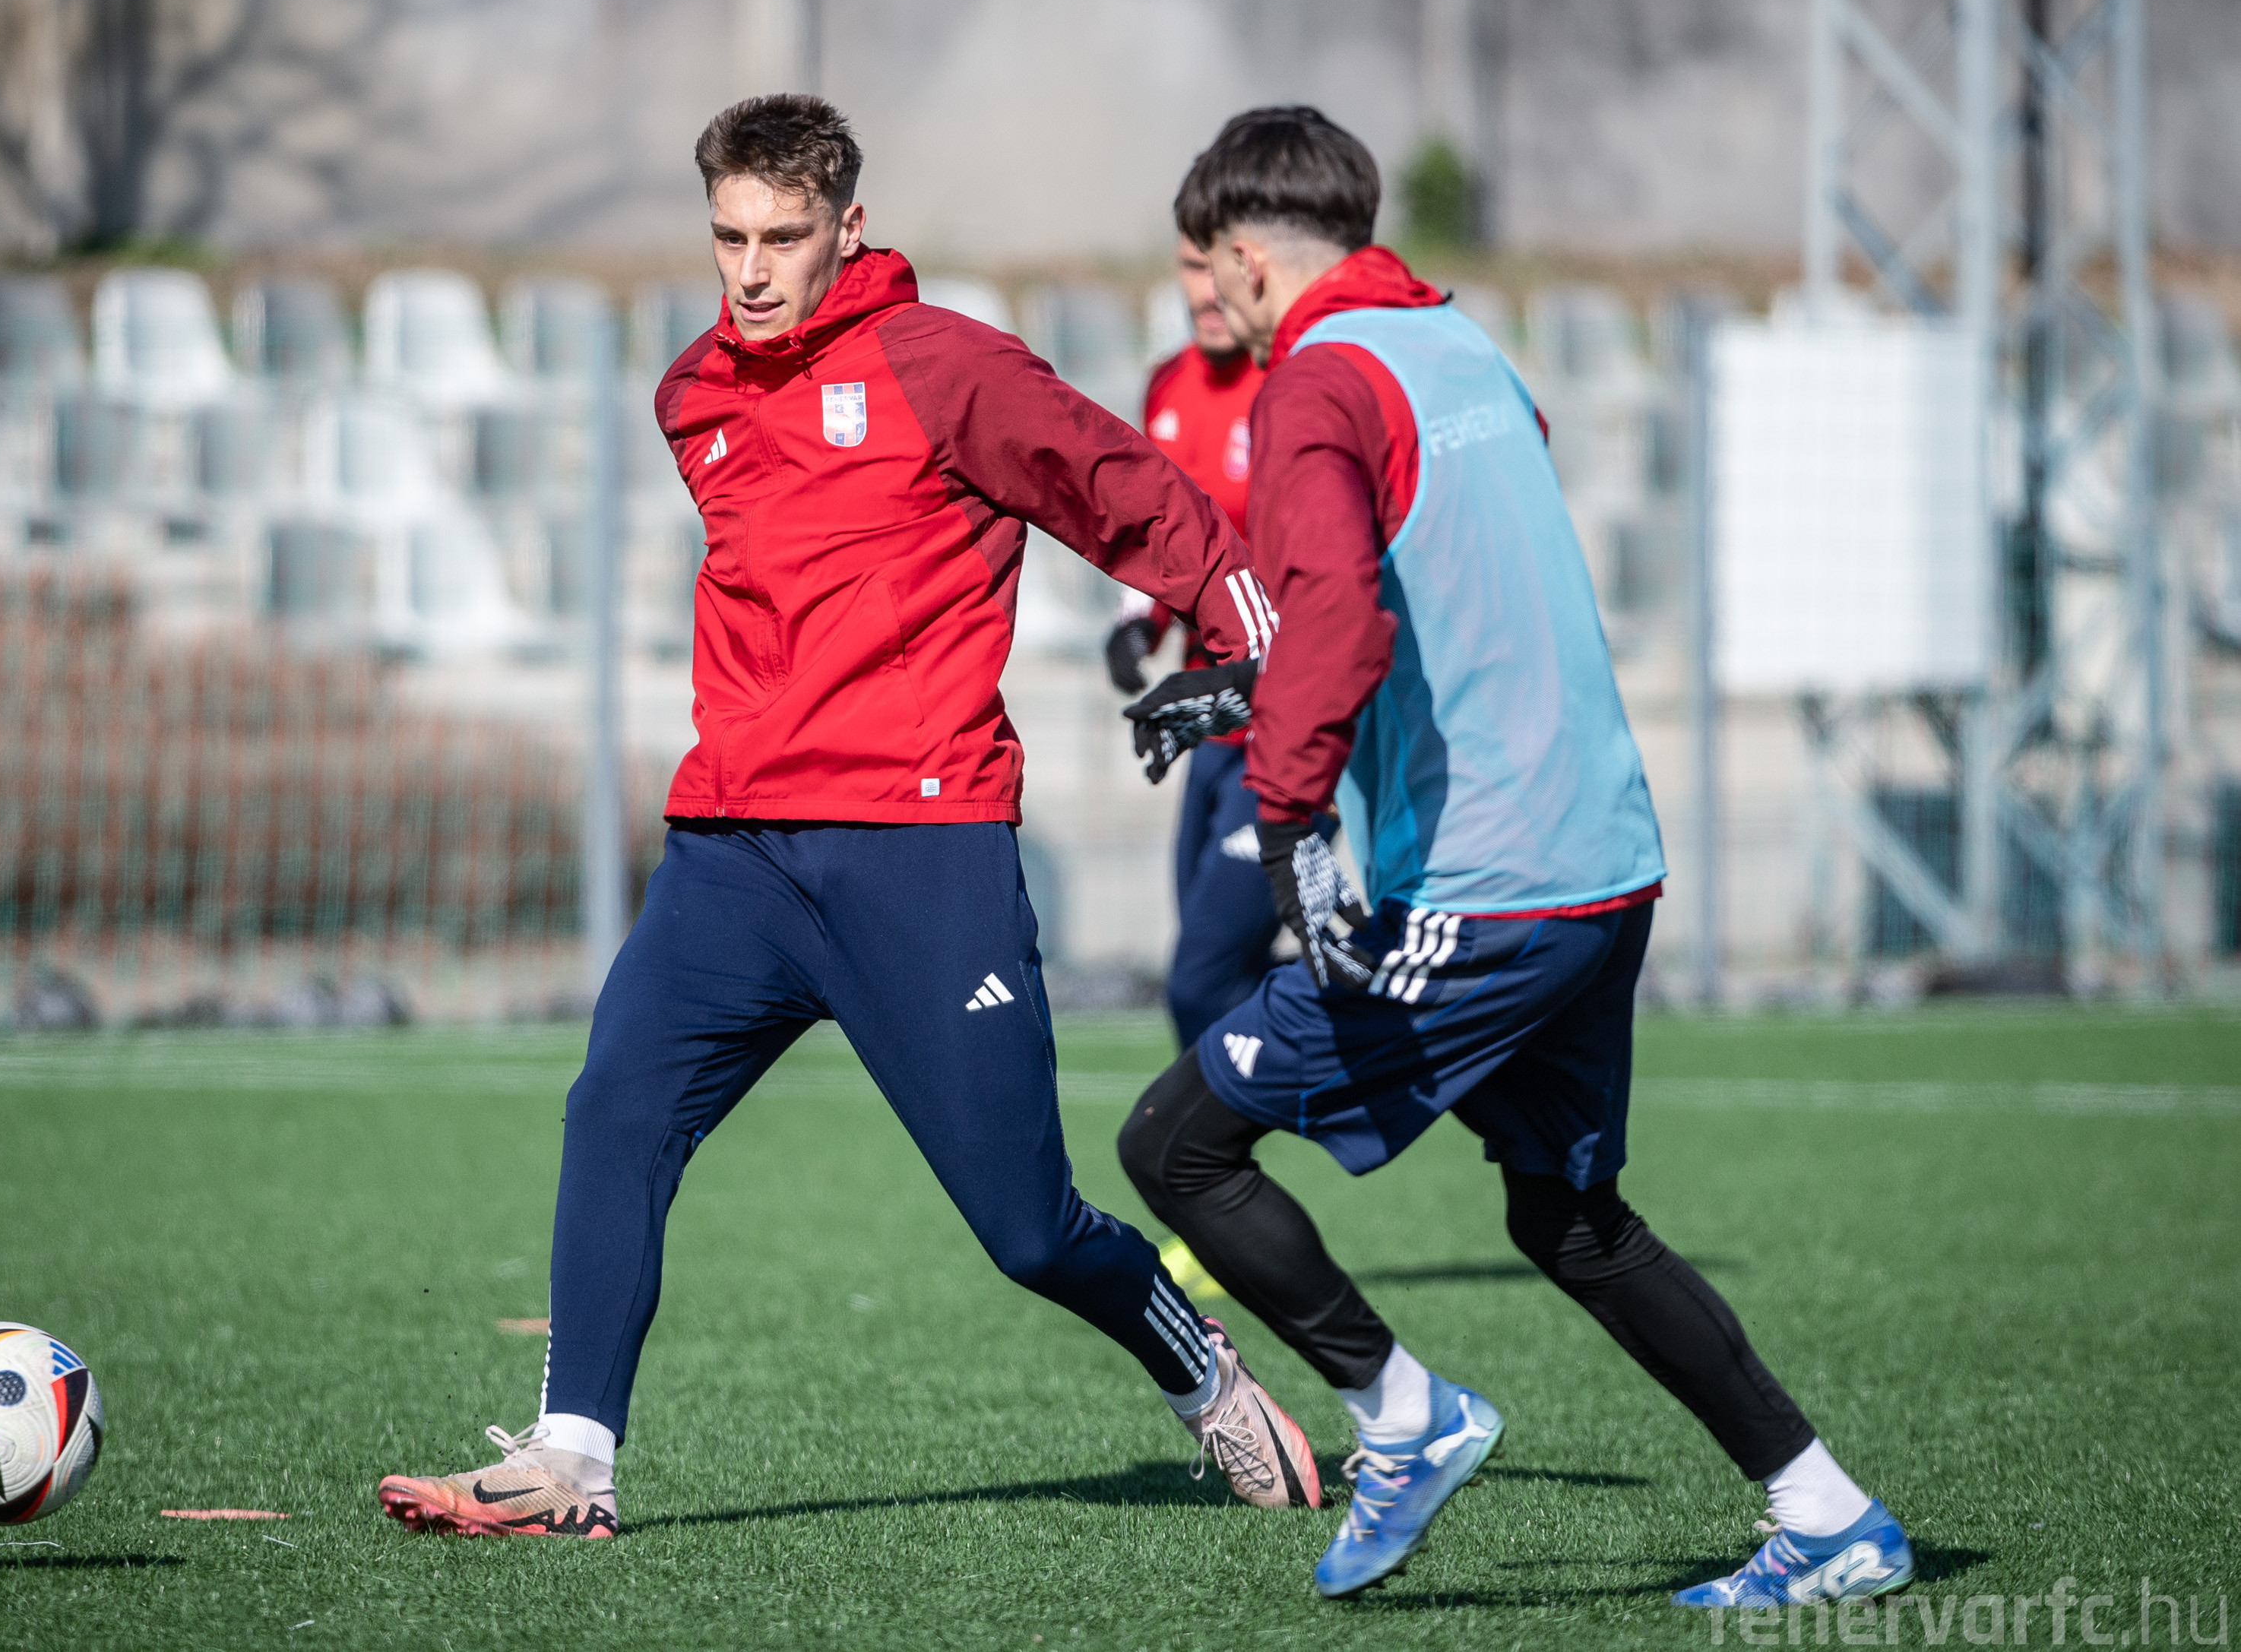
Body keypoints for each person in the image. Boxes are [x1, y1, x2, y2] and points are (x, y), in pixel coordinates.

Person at [375, 94, 1321, 1542]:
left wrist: (1252, 632)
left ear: (848, 228)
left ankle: (1200, 1370)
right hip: (735, 849)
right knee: (616, 1107)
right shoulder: (693, 395)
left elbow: (1127, 491)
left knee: (1028, 1229)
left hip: (919, 849)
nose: (752, 270)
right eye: (729, 237)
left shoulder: (945, 366)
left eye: (784, 236)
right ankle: (571, 1460)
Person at [1111, 106, 1913, 1606]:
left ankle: (1403, 1415)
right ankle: (1830, 1512)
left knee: (1172, 1145)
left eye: (1207, 267)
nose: (1202, 296)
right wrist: (1247, 688)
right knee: (1569, 1217)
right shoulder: (1461, 348)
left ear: (1252, 258)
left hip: (1485, 890)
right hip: (1601, 863)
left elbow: (1340, 614)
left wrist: (1287, 816)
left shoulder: (1314, 381)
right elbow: (1437, 580)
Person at [1104, 238, 1313, 1052]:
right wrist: (1140, 622)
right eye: (1191, 267)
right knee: (1210, 981)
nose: (1206, 290)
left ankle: (1403, 1007)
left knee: (1199, 981)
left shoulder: (1297, 386)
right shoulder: (1168, 383)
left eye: (1220, 268)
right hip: (1213, 730)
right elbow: (1160, 534)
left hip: (1293, 731)